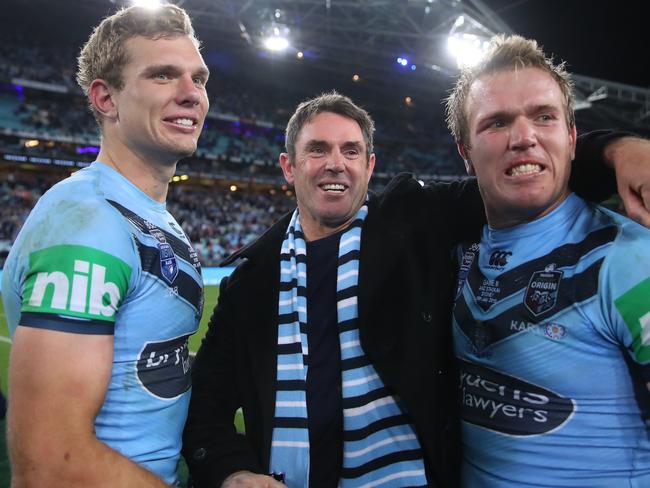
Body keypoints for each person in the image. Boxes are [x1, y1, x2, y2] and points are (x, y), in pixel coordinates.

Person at [182, 90, 650, 488]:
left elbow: (517, 167)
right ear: (288, 166)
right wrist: (231, 472)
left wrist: (617, 150)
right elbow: (205, 403)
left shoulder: (416, 222)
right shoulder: (251, 279)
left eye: (350, 151)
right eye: (317, 150)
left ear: (369, 166)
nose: (335, 165)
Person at [1, 4, 209, 486]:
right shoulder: (88, 222)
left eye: (198, 79)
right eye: (163, 75)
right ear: (106, 98)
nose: (191, 95)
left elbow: (146, 365)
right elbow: (51, 463)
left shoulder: (149, 216)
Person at [446, 34, 650, 487]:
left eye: (544, 117)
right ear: (465, 153)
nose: (524, 138)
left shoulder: (631, 259)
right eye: (496, 123)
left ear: (573, 138)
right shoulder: (453, 250)